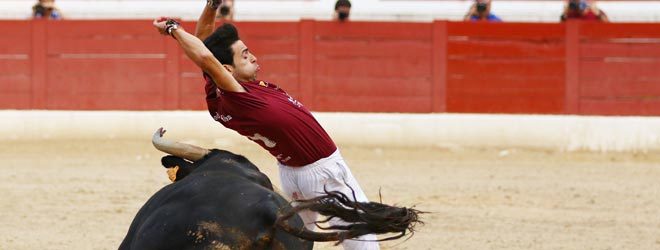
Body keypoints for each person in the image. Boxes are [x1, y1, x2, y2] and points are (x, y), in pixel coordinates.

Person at [152, 1, 379, 249]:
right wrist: (174, 28)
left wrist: (212, 6)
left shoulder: (222, 91)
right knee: (363, 239)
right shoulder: (240, 97)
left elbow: (204, 44)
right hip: (324, 171)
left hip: (292, 173)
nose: (254, 57)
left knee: (295, 241)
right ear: (227, 69)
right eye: (245, 55)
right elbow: (206, 57)